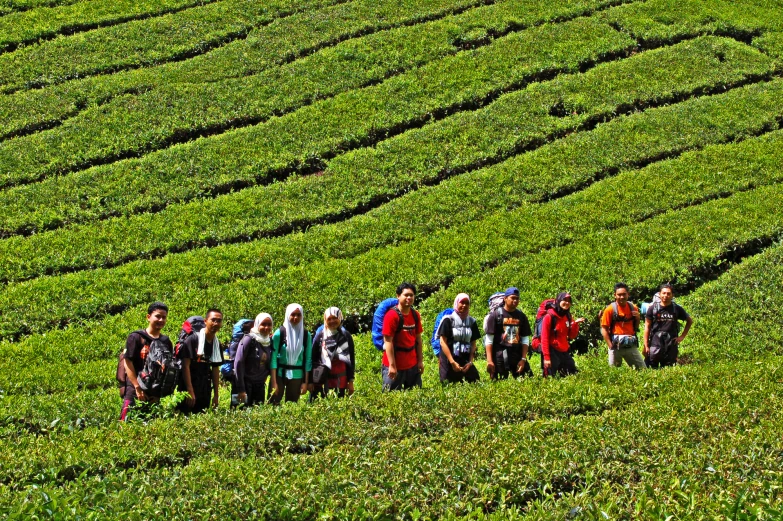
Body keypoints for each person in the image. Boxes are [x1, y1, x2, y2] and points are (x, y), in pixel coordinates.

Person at [119, 302, 173, 421]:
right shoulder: (136, 337)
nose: (161, 320)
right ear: (148, 317)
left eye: (164, 317)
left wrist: (158, 394)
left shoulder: (166, 342)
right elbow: (128, 363)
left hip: (154, 391)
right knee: (126, 422)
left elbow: (167, 368)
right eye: (157, 316)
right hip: (134, 389)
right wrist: (137, 387)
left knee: (150, 426)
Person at [177, 309, 224, 414]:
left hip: (205, 388)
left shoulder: (217, 344)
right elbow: (185, 366)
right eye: (213, 320)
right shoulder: (192, 340)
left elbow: (215, 369)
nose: (216, 323)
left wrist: (216, 395)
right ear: (205, 321)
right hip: (187, 387)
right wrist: (190, 391)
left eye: (219, 321)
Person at [382, 282, 424, 391]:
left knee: (416, 397)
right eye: (406, 295)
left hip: (412, 365)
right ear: (398, 296)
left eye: (411, 295)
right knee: (390, 399)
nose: (409, 297)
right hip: (395, 366)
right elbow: (388, 342)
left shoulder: (415, 315)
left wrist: (420, 361)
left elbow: (418, 339)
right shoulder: (391, 316)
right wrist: (392, 365)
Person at [484, 287, 532, 380]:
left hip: (517, 354)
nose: (515, 300)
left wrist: (523, 359)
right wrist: (489, 361)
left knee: (527, 380)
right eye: (512, 298)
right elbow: (489, 340)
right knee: (498, 383)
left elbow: (525, 339)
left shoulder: (522, 316)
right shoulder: (495, 315)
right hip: (499, 355)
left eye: (517, 298)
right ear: (505, 299)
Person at [310, 307, 355, 401]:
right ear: (325, 320)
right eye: (329, 319)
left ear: (340, 318)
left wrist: (350, 381)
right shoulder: (320, 336)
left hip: (340, 379)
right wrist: (310, 381)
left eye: (335, 318)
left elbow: (351, 360)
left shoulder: (346, 336)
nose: (332, 321)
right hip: (321, 380)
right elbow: (313, 358)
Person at [643, 283, 693, 368]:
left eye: (668, 293)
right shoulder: (652, 309)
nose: (666, 295)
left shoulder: (676, 308)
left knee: (668, 368)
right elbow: (647, 327)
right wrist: (646, 346)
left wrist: (682, 337)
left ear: (672, 295)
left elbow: (689, 321)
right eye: (664, 293)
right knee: (650, 367)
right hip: (655, 343)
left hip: (671, 343)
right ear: (659, 294)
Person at [270, 304, 312, 404]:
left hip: (297, 375)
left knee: (292, 406)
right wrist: (274, 382)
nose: (295, 317)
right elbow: (273, 359)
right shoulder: (279, 333)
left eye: (298, 315)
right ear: (287, 315)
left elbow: (308, 359)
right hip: (280, 374)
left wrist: (305, 382)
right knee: (273, 403)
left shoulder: (306, 335)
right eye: (293, 314)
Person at [437, 293, 481, 384]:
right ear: (456, 303)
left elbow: (473, 343)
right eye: (462, 302)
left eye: (467, 303)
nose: (464, 305)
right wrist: (452, 362)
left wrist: (470, 362)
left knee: (475, 382)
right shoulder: (448, 320)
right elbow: (442, 342)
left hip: (464, 358)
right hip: (449, 360)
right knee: (448, 384)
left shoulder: (472, 321)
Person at [234, 313, 275, 408]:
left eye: (269, 325)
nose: (266, 327)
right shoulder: (248, 339)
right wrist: (241, 389)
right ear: (257, 325)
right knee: (240, 413)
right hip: (244, 385)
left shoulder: (269, 341)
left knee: (256, 414)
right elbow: (238, 362)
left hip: (259, 386)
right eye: (263, 324)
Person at [600, 283, 645, 369]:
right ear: (615, 295)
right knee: (613, 372)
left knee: (642, 369)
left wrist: (638, 318)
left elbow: (635, 327)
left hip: (630, 345)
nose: (622, 297)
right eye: (619, 295)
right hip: (615, 345)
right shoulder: (610, 309)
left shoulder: (633, 307)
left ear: (628, 294)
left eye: (624, 294)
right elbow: (604, 329)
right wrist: (610, 346)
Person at [541, 292, 584, 377]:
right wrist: (546, 357)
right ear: (558, 301)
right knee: (550, 378)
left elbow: (572, 336)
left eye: (569, 301)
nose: (567, 303)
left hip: (564, 350)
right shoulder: (549, 317)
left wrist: (575, 324)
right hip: (552, 350)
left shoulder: (567, 316)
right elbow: (544, 338)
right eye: (564, 300)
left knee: (571, 372)